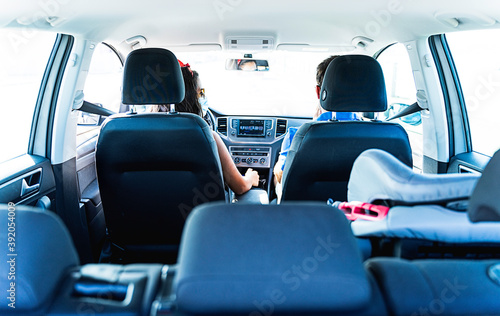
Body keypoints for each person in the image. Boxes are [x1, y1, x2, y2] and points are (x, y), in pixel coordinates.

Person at [150, 61, 260, 195]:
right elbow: (240, 187)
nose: (203, 96)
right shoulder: (207, 137)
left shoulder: (136, 136)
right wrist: (250, 178)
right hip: (200, 215)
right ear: (189, 97)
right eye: (201, 92)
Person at [273, 56, 359, 193]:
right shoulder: (386, 137)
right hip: (356, 212)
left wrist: (314, 125)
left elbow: (282, 175)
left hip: (307, 212)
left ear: (319, 92)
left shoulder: (298, 135)